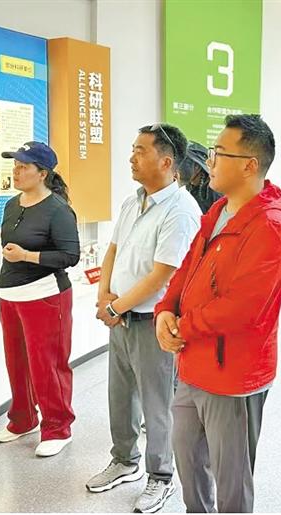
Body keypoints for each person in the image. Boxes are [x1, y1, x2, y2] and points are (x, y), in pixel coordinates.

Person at [155, 114, 281, 513]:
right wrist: (165, 311)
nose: (209, 161)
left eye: (219, 152)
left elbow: (242, 308)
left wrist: (183, 327)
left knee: (231, 478)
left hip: (232, 375)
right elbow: (187, 269)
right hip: (192, 363)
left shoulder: (270, 226)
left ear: (249, 165)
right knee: (188, 458)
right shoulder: (218, 211)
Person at [85, 124, 201, 514]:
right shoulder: (132, 202)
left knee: (158, 404)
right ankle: (124, 460)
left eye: (140, 151)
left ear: (166, 162)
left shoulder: (181, 210)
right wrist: (104, 296)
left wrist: (114, 307)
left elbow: (162, 275)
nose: (131, 157)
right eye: (133, 149)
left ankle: (161, 477)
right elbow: (113, 250)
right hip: (121, 318)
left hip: (153, 322)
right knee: (120, 396)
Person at [0, 141, 80, 457]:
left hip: (45, 296)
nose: (16, 171)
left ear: (42, 173)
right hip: (10, 294)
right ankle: (22, 419)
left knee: (48, 365)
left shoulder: (58, 209)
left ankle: (58, 427)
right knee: (16, 363)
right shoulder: (11, 205)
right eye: (14, 165)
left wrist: (27, 256)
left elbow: (70, 255)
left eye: (23, 166)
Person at [176, 140, 222, 214]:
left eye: (180, 164)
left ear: (197, 167)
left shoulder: (215, 191)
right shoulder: (188, 187)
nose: (176, 170)